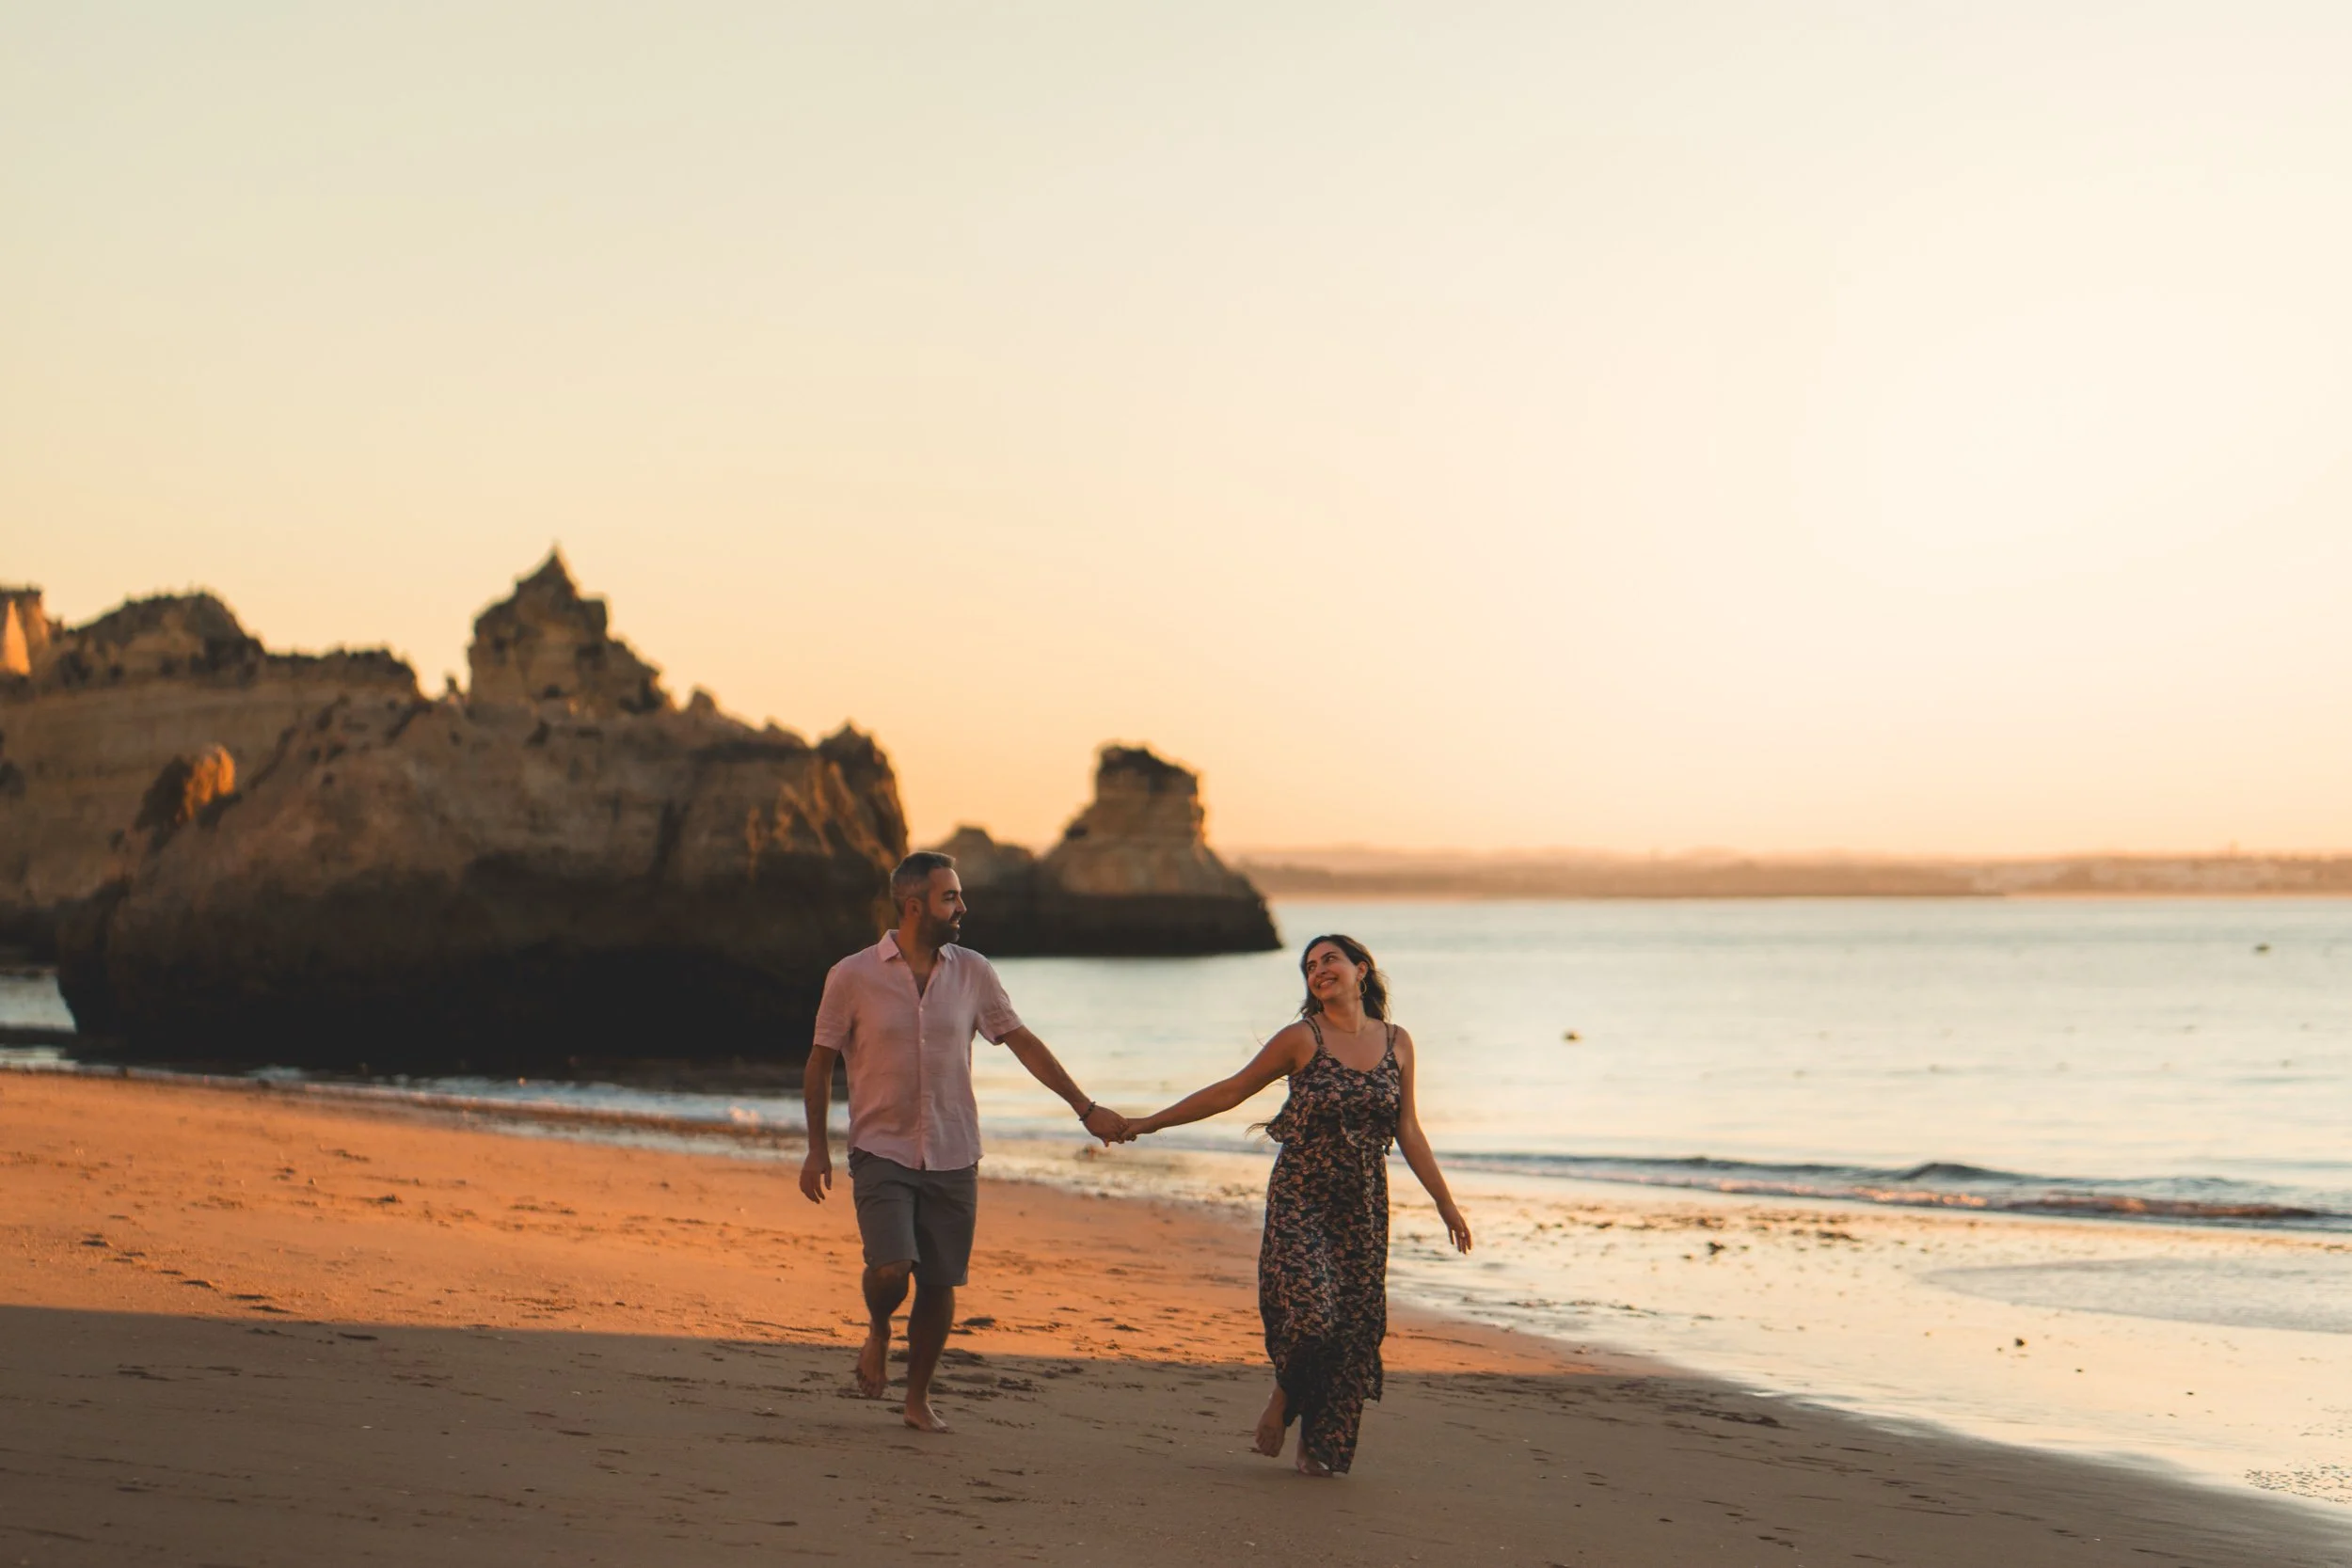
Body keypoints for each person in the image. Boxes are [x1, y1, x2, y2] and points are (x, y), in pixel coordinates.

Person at [800, 849, 1128, 1433]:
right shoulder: (852, 975)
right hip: (881, 1147)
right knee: (891, 1268)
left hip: (955, 1150)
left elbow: (1023, 1042)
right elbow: (820, 1062)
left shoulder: (973, 970)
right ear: (914, 905)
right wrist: (817, 1148)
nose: (962, 906)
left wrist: (1086, 1108)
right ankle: (879, 1327)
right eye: (951, 897)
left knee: (941, 1280)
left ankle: (917, 1397)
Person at [1125, 933, 1470, 1475]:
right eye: (1309, 966)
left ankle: (1319, 1448)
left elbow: (1408, 1128)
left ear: (1362, 970)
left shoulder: (1399, 1041)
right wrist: (1147, 1124)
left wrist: (1445, 1204)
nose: (1318, 969)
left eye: (1330, 959)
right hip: (1302, 1195)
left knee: (1354, 1326)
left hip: (1364, 1203)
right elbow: (1231, 1090)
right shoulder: (1301, 1038)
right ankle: (1282, 1400)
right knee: (1312, 1315)